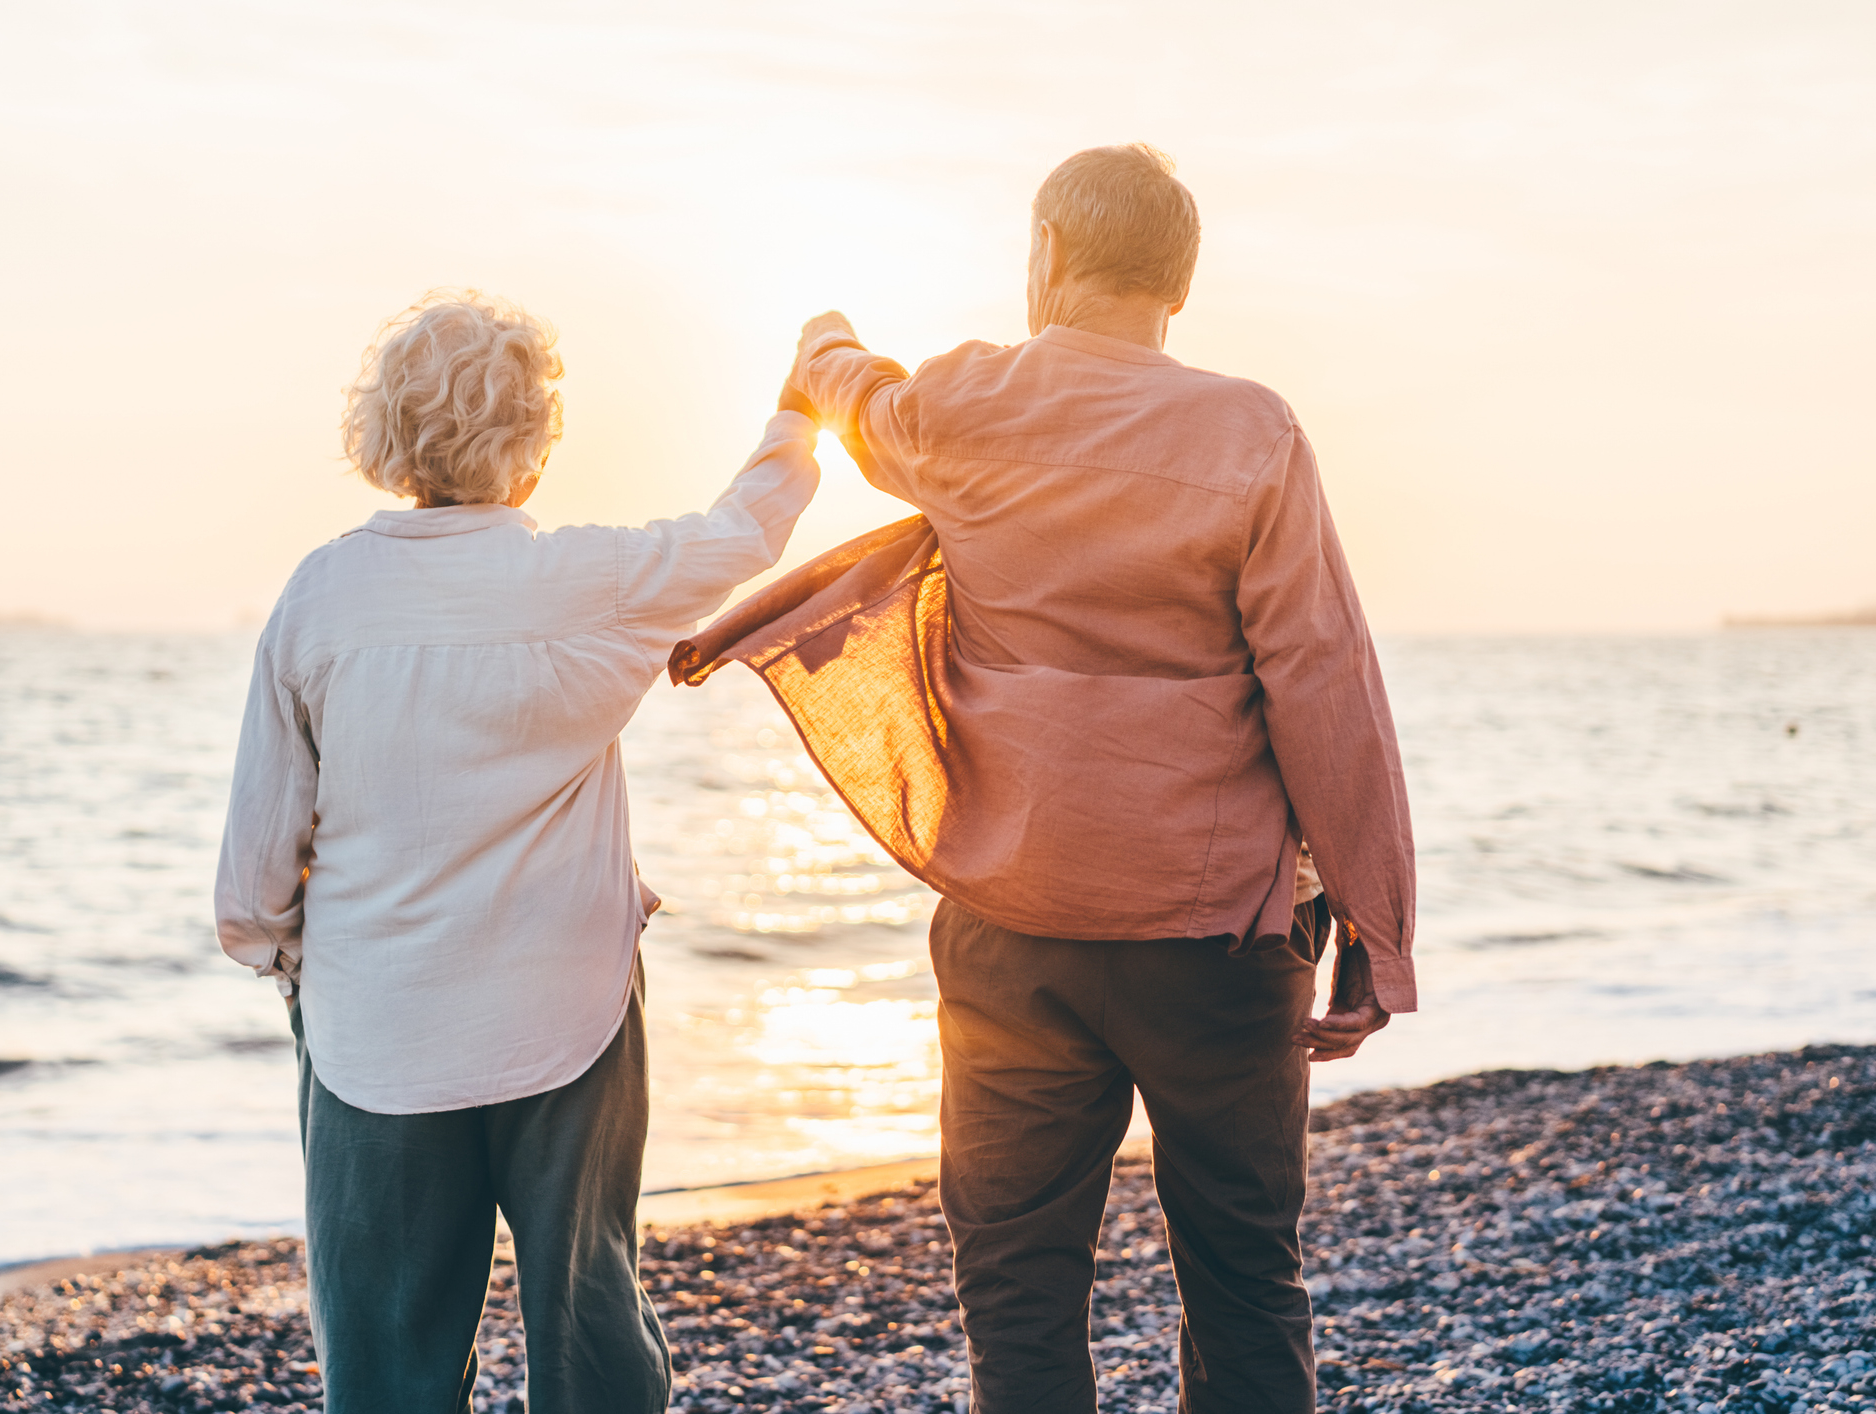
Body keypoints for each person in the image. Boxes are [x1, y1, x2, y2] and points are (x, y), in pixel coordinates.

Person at [675, 144, 1415, 1413]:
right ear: (1177, 287)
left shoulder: (965, 406)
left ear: (1048, 258)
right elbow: (1324, 683)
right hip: (1219, 941)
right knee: (1246, 1280)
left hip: (1014, 930)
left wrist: (828, 342)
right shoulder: (1253, 430)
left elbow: (867, 406)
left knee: (1018, 1292)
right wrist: (1378, 935)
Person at [213, 290, 820, 1414]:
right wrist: (799, 407)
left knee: (388, 1361)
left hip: (376, 1031)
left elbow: (255, 871)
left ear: (384, 438)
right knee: (590, 1332)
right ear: (534, 445)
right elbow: (749, 530)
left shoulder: (322, 596)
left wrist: (285, 961)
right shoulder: (584, 580)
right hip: (567, 1014)